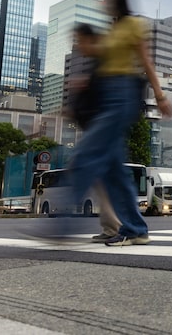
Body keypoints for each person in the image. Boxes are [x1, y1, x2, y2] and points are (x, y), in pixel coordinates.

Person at [68, 0, 172, 245]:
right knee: (113, 171)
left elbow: (146, 62)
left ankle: (58, 228)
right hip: (108, 98)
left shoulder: (135, 25)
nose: (103, 2)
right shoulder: (112, 29)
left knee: (84, 154)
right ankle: (136, 229)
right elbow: (100, 59)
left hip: (123, 97)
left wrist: (160, 96)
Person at [66, 23, 121, 243]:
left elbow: (108, 95)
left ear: (89, 39)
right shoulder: (96, 63)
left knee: (80, 166)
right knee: (106, 180)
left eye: (79, 40)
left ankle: (63, 225)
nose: (77, 45)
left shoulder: (105, 61)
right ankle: (114, 227)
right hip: (98, 128)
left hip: (101, 129)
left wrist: (86, 87)